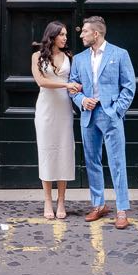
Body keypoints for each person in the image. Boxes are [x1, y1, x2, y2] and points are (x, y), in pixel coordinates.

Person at [69, 15, 136, 230]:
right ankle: (98, 205)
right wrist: (81, 100)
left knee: (117, 162)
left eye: (85, 32)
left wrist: (116, 110)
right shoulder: (78, 59)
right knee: (92, 161)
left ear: (95, 34)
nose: (81, 35)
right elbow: (73, 85)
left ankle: (122, 209)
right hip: (88, 116)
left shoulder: (119, 54)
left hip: (110, 115)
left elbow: (129, 87)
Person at [31, 21, 82, 220]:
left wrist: (75, 88)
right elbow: (41, 81)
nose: (65, 38)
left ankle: (61, 201)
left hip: (64, 110)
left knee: (64, 151)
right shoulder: (37, 56)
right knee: (46, 151)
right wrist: (66, 85)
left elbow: (78, 80)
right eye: (61, 34)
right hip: (45, 110)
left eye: (66, 35)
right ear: (51, 36)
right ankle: (47, 200)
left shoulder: (70, 57)